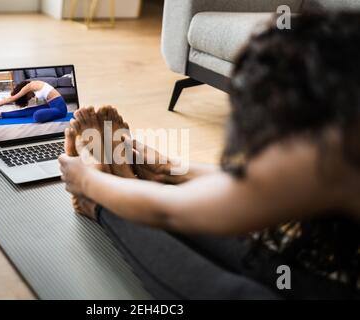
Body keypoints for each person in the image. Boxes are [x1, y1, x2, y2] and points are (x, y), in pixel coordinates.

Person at [58, 12, 360, 299]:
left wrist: (88, 181)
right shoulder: (343, 133)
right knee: (284, 274)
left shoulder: (333, 143)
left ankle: (104, 207)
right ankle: (143, 185)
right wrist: (168, 168)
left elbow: (170, 211)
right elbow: (256, 189)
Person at [0, 80, 67, 123]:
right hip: (51, 105)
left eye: (28, 98)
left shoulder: (30, 86)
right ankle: (1, 114)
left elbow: (12, 98)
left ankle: (54, 114)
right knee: (27, 111)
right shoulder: (33, 85)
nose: (31, 97)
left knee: (37, 115)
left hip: (60, 109)